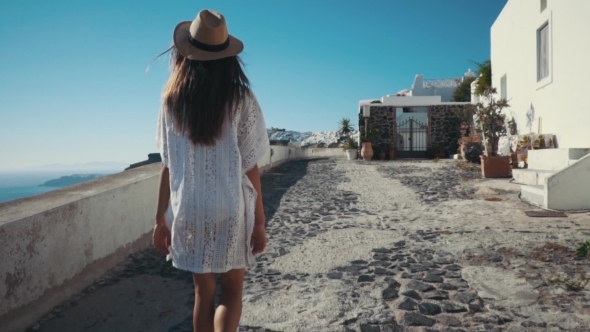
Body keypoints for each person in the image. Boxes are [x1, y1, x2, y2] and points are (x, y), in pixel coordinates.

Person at [152, 9, 269, 332]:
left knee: (203, 292)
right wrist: (259, 222)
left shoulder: (171, 101)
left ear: (186, 52)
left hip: (189, 210)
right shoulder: (241, 98)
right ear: (227, 55)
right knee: (232, 292)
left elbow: (167, 166)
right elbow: (250, 167)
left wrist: (159, 220)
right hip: (231, 209)